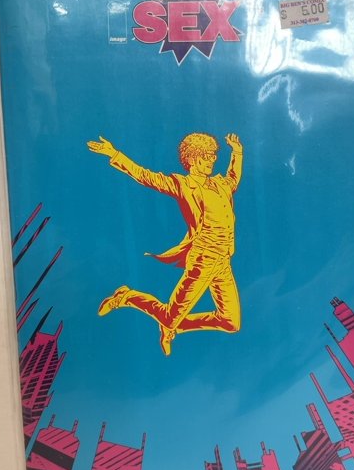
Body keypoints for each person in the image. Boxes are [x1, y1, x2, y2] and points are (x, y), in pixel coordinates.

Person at [87, 131, 243, 356]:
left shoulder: (221, 185)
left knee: (231, 322)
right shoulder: (183, 185)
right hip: (203, 260)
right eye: (206, 156)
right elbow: (145, 176)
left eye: (213, 155)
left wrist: (237, 152)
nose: (212, 160)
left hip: (223, 261)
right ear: (192, 159)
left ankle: (172, 327)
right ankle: (127, 297)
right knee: (170, 317)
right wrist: (114, 154)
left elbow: (234, 177)